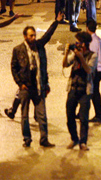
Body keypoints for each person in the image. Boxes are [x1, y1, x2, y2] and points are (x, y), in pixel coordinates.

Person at [10, 12, 63, 147]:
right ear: (25, 37)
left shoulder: (39, 46)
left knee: (42, 115)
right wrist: (20, 83)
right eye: (30, 36)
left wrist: (56, 21)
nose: (33, 38)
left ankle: (44, 139)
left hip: (39, 86)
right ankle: (27, 138)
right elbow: (14, 67)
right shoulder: (18, 50)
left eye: (34, 35)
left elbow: (48, 35)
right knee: (25, 115)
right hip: (26, 87)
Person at [63, 31, 96, 151]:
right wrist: (67, 53)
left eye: (78, 42)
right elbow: (65, 64)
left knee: (84, 118)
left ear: (84, 44)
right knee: (69, 115)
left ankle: (83, 142)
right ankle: (74, 138)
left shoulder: (93, 55)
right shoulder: (75, 54)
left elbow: (89, 70)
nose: (76, 44)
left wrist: (81, 58)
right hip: (73, 88)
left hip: (85, 90)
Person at [87, 20, 101, 124]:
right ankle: (82, 111)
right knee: (92, 91)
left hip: (97, 69)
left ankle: (99, 115)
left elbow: (92, 57)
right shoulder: (98, 39)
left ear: (87, 28)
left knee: (93, 92)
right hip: (100, 68)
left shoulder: (93, 42)